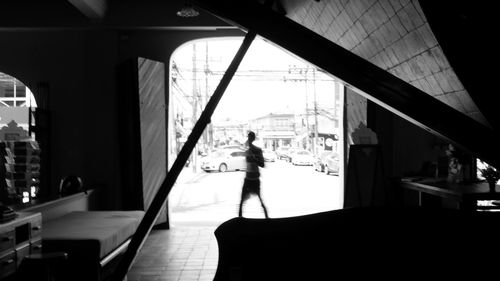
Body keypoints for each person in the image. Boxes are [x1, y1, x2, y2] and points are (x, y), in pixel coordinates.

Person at [238, 131, 269, 218]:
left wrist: (254, 158)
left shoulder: (258, 151)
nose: (249, 139)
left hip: (255, 179)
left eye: (250, 137)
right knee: (241, 202)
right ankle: (239, 220)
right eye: (248, 138)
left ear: (253, 138)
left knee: (260, 201)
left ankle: (267, 219)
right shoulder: (247, 151)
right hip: (248, 178)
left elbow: (262, 164)